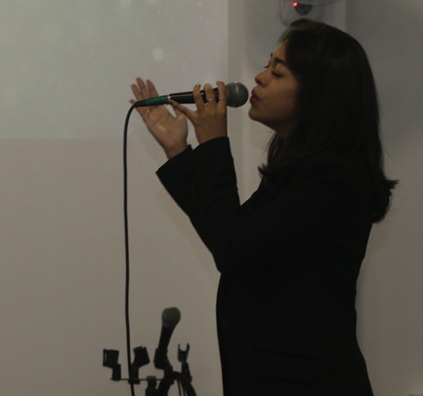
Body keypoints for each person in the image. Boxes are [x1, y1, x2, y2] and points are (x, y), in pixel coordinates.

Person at [130, 19, 395, 395]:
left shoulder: (332, 176)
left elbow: (232, 249)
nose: (259, 77)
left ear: (317, 94)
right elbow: (229, 234)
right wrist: (178, 150)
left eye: (277, 72)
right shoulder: (301, 170)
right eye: (267, 65)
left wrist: (213, 144)